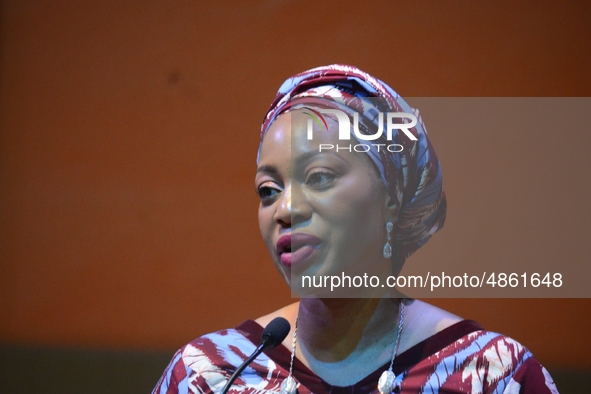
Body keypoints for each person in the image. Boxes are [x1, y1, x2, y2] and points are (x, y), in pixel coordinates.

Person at [152, 65, 559, 393]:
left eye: (320, 177)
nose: (286, 209)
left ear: (391, 197)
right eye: (268, 190)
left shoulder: (495, 376)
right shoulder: (209, 375)